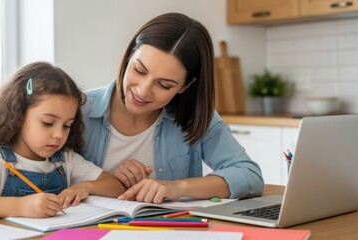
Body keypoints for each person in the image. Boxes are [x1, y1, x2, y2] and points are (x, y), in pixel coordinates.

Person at [81, 12, 264, 204]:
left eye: (164, 85)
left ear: (185, 86)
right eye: (139, 70)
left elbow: (249, 175)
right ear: (128, 57)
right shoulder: (80, 110)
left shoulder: (195, 116)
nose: (143, 91)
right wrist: (107, 180)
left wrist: (177, 187)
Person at [0, 62, 125, 218]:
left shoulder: (65, 160)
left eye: (66, 125)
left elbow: (116, 187)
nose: (59, 135)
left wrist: (85, 187)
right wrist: (21, 206)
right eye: (48, 123)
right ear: (18, 115)